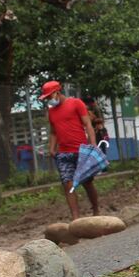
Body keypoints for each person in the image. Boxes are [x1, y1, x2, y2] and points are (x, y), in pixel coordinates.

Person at [40, 80, 100, 219]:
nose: (49, 100)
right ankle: (75, 218)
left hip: (81, 151)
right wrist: (52, 148)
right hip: (63, 154)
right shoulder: (51, 112)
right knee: (68, 185)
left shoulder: (76, 103)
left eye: (49, 96)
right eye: (47, 98)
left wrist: (93, 144)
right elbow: (53, 132)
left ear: (57, 92)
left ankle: (96, 210)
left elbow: (88, 124)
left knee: (87, 183)